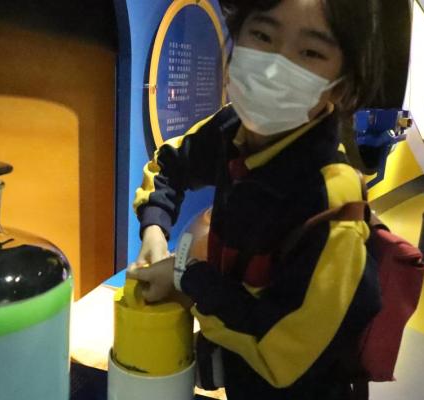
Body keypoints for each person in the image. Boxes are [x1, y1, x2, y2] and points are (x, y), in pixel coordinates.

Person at [128, 0, 386, 398]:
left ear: (340, 84)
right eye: (263, 35)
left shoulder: (333, 203)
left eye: (310, 52)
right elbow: (169, 165)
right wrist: (154, 230)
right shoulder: (232, 130)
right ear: (237, 35)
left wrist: (185, 277)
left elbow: (283, 347)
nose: (273, 68)